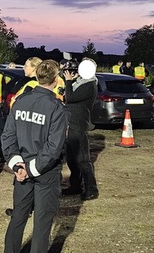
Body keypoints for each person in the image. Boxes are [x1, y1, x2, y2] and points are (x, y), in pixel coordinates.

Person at [2, 59, 68, 253]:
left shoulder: (20, 101)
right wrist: (29, 170)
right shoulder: (56, 108)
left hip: (22, 169)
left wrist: (17, 166)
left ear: (37, 76)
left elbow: (7, 137)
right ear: (56, 79)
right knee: (42, 223)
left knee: (18, 218)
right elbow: (54, 147)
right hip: (44, 173)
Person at [62, 58, 99, 201]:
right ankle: (75, 186)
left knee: (82, 159)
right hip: (71, 123)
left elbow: (70, 98)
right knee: (72, 159)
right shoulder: (82, 82)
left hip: (78, 124)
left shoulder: (90, 85)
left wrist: (69, 81)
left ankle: (91, 189)